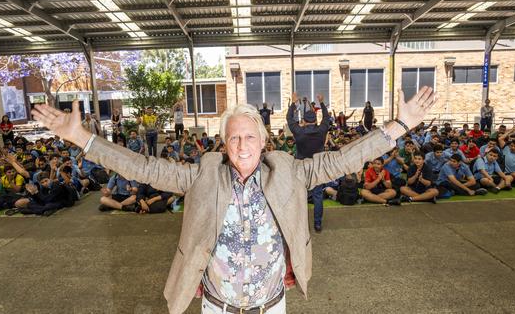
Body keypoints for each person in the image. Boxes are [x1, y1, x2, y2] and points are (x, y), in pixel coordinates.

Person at [31, 86, 436, 314]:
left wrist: (400, 125)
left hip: (271, 306)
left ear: (264, 141)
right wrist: (82, 137)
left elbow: (346, 157)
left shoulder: (290, 172)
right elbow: (144, 168)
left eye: (249, 136)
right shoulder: (203, 176)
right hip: (218, 307)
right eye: (234, 138)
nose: (242, 145)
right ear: (225, 145)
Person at [287, 92, 330, 232]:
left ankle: (299, 225)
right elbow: (327, 118)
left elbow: (289, 118)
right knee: (317, 195)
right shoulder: (322, 130)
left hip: (301, 167)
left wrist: (294, 103)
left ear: (304, 121)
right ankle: (317, 224)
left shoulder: (299, 131)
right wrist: (322, 103)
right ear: (315, 121)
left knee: (300, 195)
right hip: (317, 167)